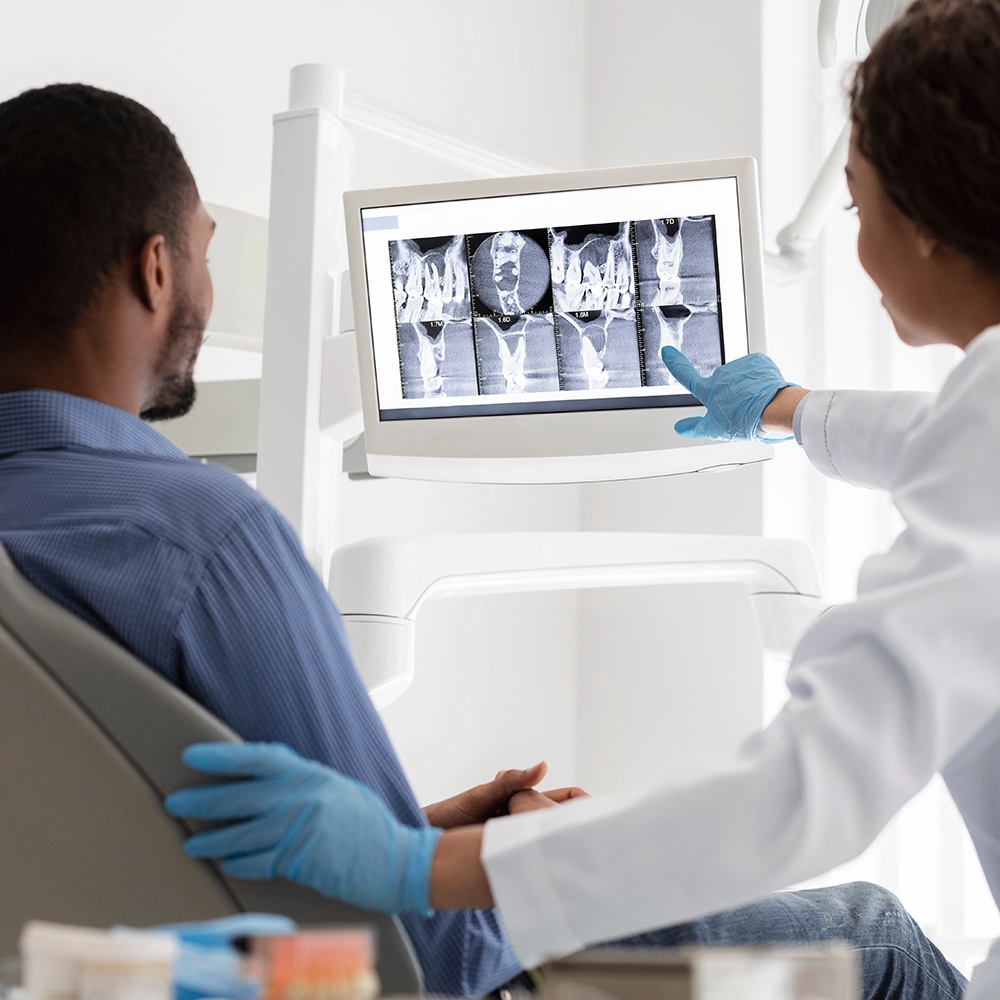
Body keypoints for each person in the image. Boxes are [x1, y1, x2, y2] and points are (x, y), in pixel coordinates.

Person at [0, 80, 959, 1000]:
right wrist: (520, 851)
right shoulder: (208, 543)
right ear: (156, 269)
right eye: (207, 253)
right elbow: (434, 955)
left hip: (144, 979)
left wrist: (411, 838)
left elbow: (121, 856)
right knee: (881, 942)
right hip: (469, 985)